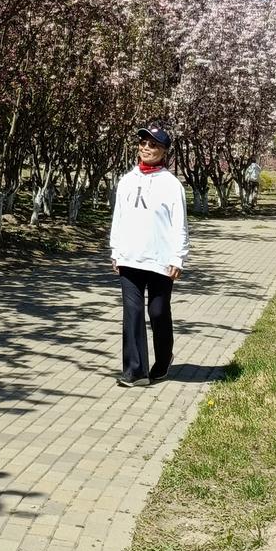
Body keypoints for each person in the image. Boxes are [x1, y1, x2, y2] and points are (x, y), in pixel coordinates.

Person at [109, 122, 188, 386]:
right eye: (143, 143)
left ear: (164, 151)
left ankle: (163, 359)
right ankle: (135, 372)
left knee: (157, 312)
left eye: (153, 145)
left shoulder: (171, 184)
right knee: (132, 313)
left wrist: (178, 257)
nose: (146, 148)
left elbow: (180, 224)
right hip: (130, 257)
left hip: (160, 260)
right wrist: (116, 251)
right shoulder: (127, 180)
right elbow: (118, 217)